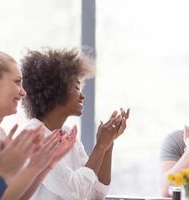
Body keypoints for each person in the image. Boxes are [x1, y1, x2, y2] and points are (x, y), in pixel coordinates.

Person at [0, 41, 77, 200]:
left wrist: (46, 163)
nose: (23, 92)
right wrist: (34, 165)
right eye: (17, 82)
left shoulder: (0, 135)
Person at [21, 48, 130, 200]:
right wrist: (99, 147)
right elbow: (75, 192)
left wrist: (108, 144)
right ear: (56, 90)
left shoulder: (67, 134)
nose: (82, 96)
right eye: (77, 87)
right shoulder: (34, 136)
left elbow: (96, 194)